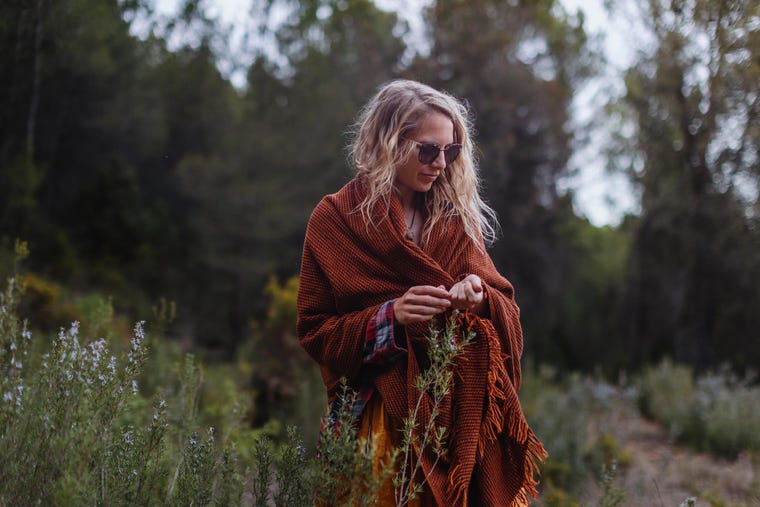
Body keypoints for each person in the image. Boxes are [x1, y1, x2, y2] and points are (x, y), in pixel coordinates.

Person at [297, 79, 546, 506]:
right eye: (428, 151)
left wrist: (479, 297)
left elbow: (504, 305)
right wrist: (390, 317)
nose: (441, 164)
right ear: (389, 143)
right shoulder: (336, 219)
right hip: (374, 422)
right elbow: (315, 331)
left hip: (458, 419)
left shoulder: (454, 220)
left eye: (451, 151)